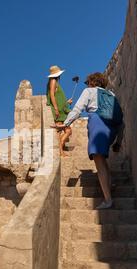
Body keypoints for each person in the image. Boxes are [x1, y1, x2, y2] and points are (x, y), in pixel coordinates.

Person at [53, 72, 124, 210]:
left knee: (98, 160)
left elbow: (77, 109)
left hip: (98, 125)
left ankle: (108, 199)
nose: (87, 85)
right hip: (112, 130)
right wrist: (118, 142)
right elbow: (121, 121)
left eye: (87, 82)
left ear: (91, 82)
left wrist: (65, 123)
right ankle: (109, 184)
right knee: (101, 158)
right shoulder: (111, 95)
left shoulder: (89, 91)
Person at [46, 66, 73, 157]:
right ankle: (60, 151)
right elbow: (52, 95)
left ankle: (60, 150)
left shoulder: (55, 82)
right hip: (58, 111)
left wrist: (66, 102)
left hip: (61, 110)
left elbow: (57, 97)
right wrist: (56, 109)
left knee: (65, 131)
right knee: (65, 131)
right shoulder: (53, 81)